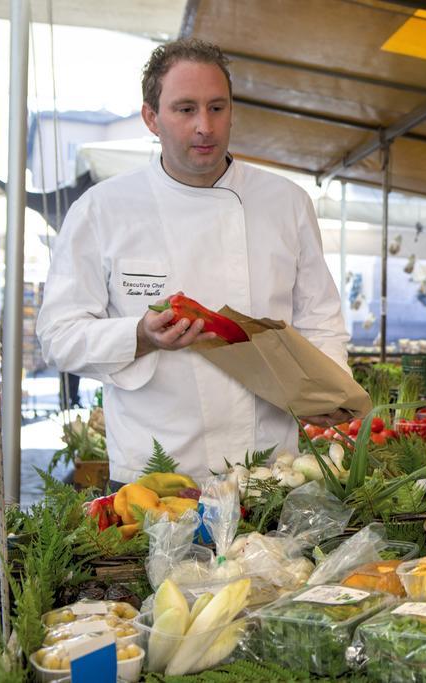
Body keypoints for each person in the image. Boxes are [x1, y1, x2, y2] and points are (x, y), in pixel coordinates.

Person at [37, 39, 350, 484]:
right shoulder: (102, 209)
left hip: (269, 470)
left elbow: (321, 321)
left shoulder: (287, 203)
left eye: (217, 108)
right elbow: (58, 336)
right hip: (154, 474)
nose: (205, 126)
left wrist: (330, 390)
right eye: (185, 109)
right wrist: (139, 335)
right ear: (151, 117)